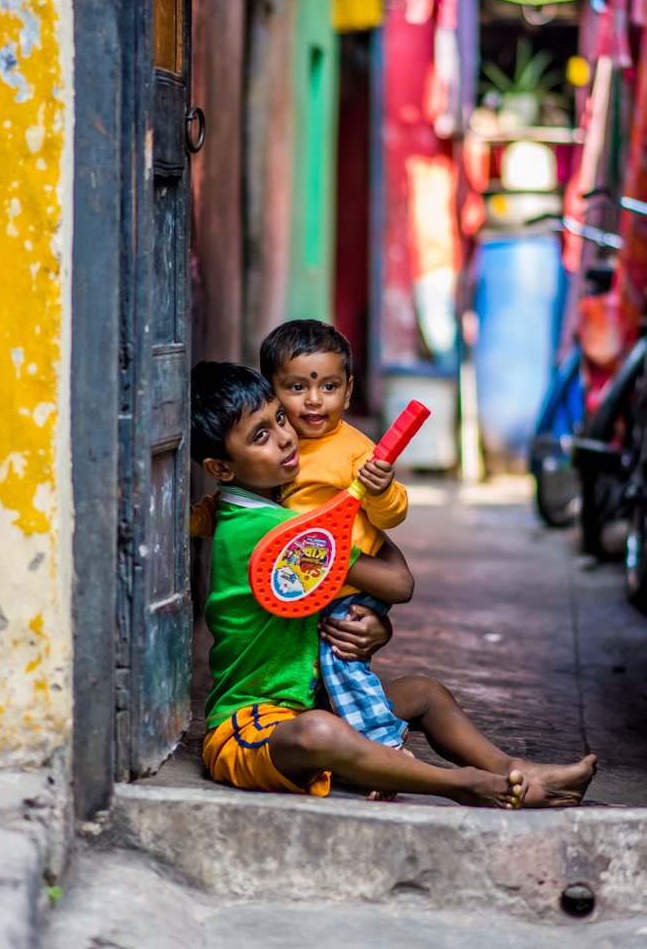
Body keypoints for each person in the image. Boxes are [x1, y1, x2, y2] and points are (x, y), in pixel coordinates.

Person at [191, 358, 597, 807]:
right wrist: (368, 527)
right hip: (249, 730)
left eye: (280, 418)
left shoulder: (281, 511)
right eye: (260, 435)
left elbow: (375, 587)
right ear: (221, 468)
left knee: (424, 694)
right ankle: (465, 785)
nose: (286, 437)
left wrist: (376, 624)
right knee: (319, 732)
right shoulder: (275, 534)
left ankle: (515, 769)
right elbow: (398, 582)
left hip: (311, 705)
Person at [259, 319, 409, 749]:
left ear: (347, 391)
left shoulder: (355, 451)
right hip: (307, 581)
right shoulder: (277, 444)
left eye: (328, 387)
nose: (314, 400)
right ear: (272, 392)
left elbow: (392, 515)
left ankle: (383, 744)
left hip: (349, 587)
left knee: (339, 658)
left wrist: (381, 491)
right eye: (297, 387)